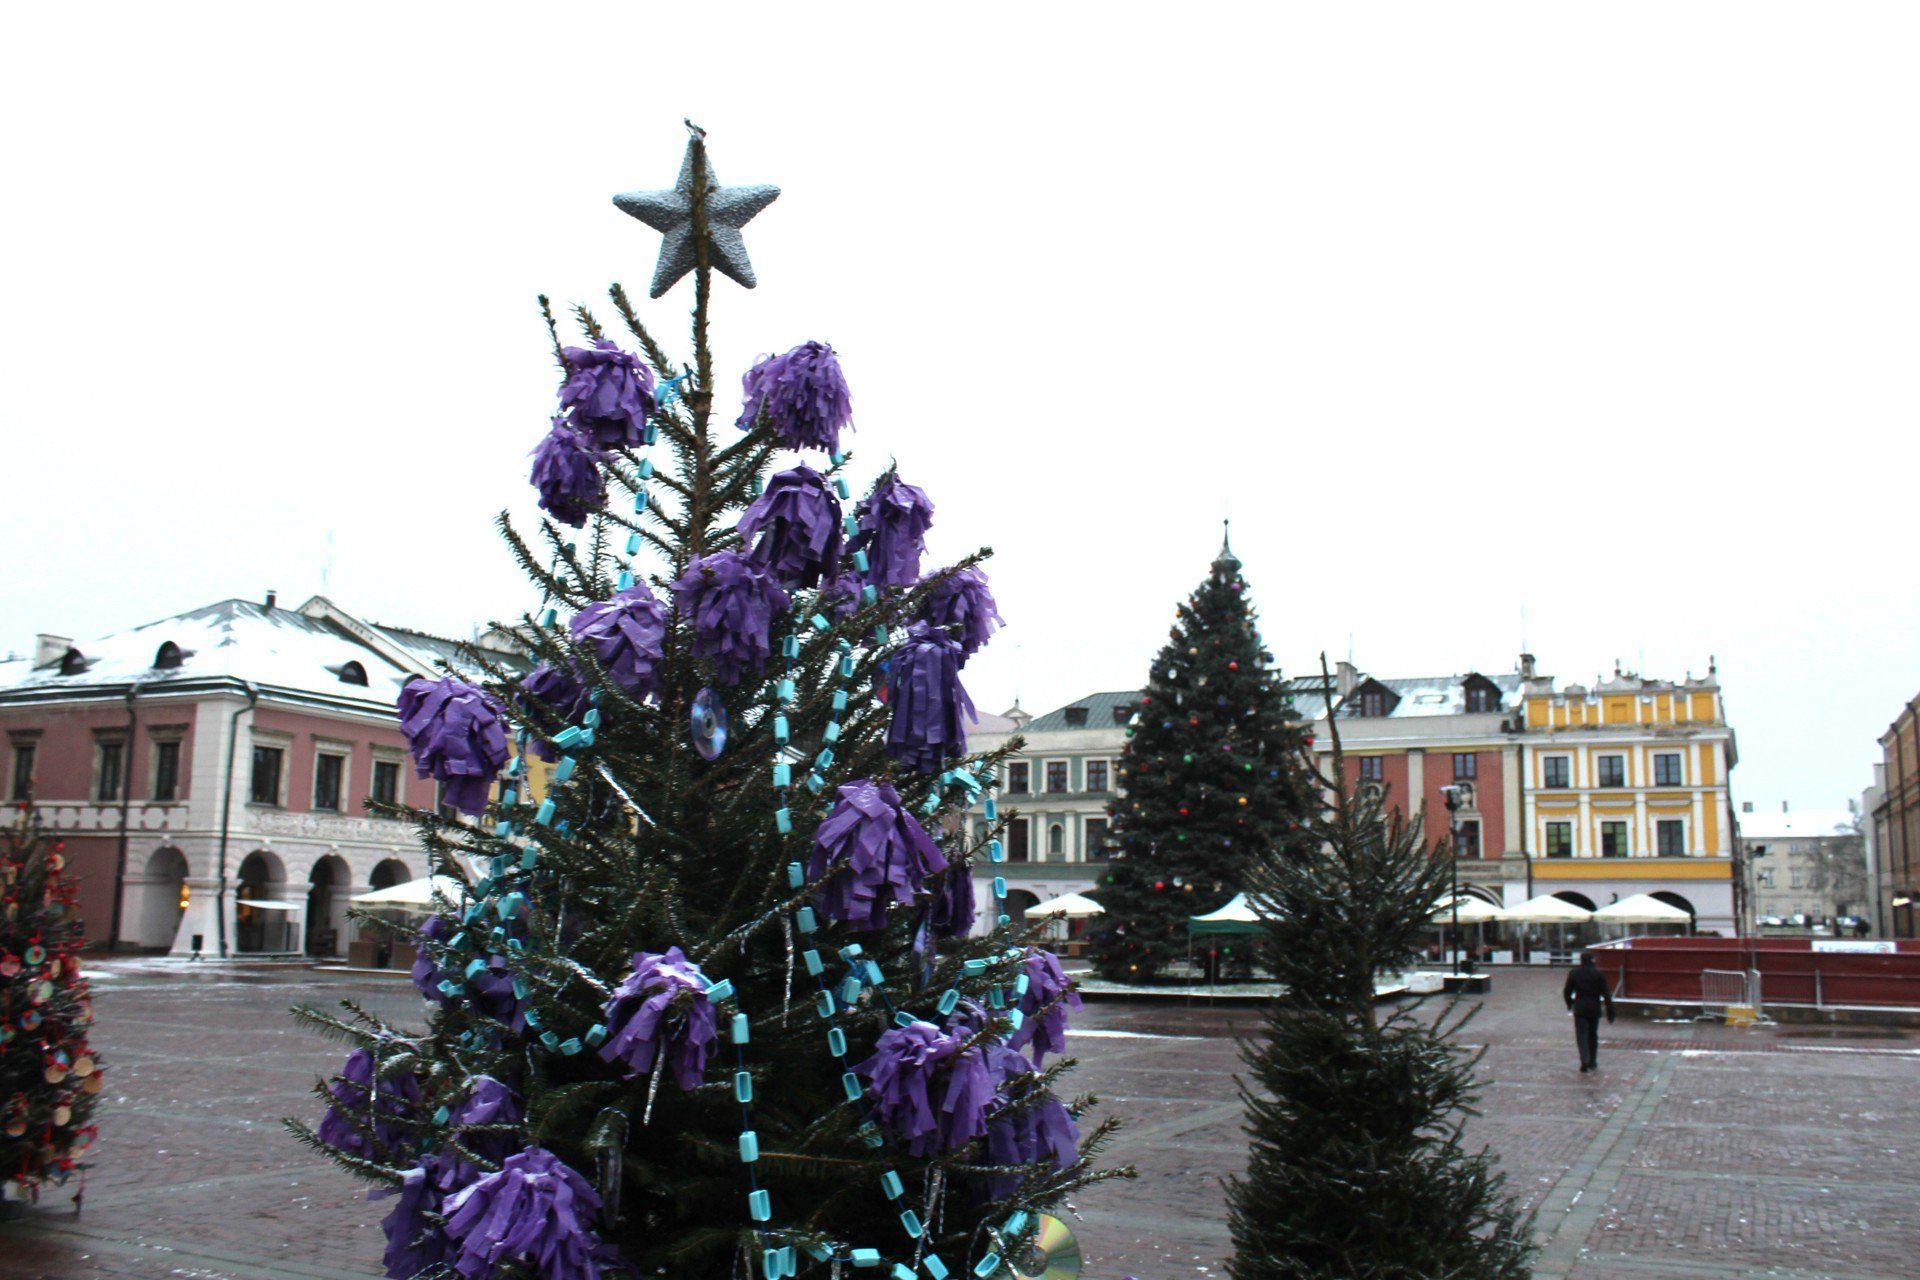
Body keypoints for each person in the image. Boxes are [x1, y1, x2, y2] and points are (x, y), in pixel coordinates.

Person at [1562, 951, 1615, 1073]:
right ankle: (1593, 1061)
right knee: (1592, 1035)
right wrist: (1610, 1011)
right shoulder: (1599, 974)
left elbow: (1567, 991)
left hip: (1580, 1007)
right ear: (1592, 960)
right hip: (1594, 1007)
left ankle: (1584, 1060)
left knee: (1581, 1035)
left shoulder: (1574, 973)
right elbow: (1606, 994)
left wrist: (1570, 1003)